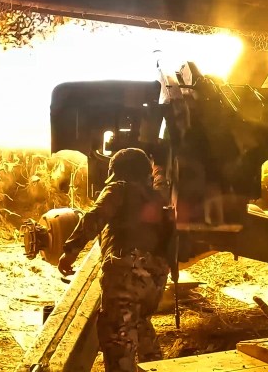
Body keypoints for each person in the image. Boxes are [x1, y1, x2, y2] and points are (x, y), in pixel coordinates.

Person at [58, 148, 171, 372]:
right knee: (140, 323)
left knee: (117, 335)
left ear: (116, 171)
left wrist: (70, 251)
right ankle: (157, 365)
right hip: (156, 277)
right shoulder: (157, 197)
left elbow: (95, 216)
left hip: (127, 270)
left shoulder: (119, 187)